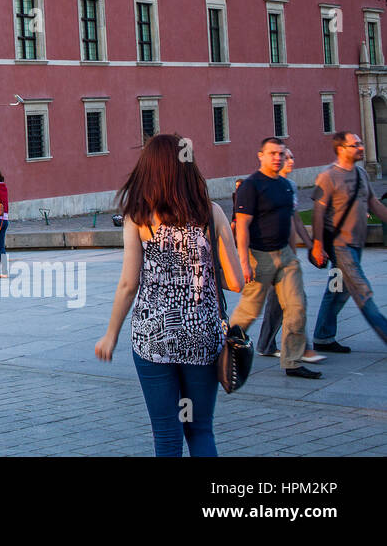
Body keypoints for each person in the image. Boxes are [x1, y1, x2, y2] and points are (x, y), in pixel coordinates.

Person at [95, 133, 245, 457]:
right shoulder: (212, 213)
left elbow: (128, 285)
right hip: (201, 335)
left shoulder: (139, 217)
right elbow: (236, 282)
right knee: (201, 430)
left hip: (153, 337)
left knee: (166, 435)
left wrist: (111, 335)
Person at [227, 139, 321, 379]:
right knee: (249, 311)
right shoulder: (251, 186)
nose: (277, 158)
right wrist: (244, 262)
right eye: (272, 153)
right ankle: (223, 354)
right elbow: (242, 226)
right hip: (259, 256)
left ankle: (292, 361)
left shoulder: (286, 186)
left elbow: (293, 220)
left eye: (281, 154)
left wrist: (307, 248)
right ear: (261, 155)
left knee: (297, 307)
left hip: (286, 256)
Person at [310, 131, 387, 351]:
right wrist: (317, 245)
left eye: (361, 144)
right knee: (363, 292)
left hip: (356, 244)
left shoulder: (361, 173)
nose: (361, 147)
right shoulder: (327, 176)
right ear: (341, 149)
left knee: (337, 290)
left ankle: (323, 336)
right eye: (355, 145)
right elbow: (317, 212)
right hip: (340, 246)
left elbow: (373, 202)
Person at [255, 147, 325, 365]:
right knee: (297, 300)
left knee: (277, 302)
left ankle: (265, 345)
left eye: (292, 156)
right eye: (286, 157)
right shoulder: (263, 187)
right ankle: (303, 348)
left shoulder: (291, 187)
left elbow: (295, 220)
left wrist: (312, 244)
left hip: (288, 254)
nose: (290, 160)